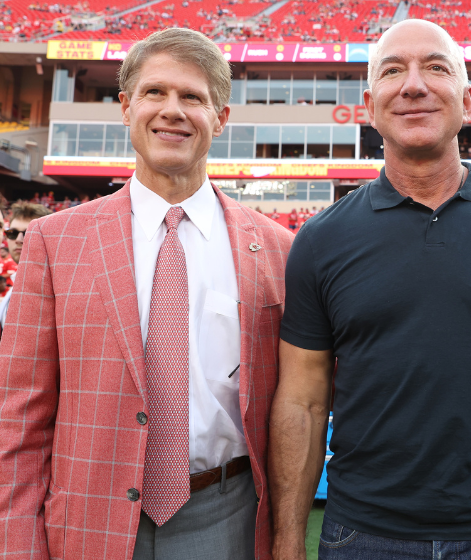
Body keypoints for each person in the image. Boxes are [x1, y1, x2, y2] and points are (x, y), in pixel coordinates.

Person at [269, 19, 471, 560]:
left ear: (468, 100)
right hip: (361, 536)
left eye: (436, 68)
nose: (414, 85)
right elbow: (301, 402)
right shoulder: (320, 240)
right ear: (371, 105)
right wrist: (287, 543)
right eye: (393, 71)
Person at [0, 27, 294, 560]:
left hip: (227, 517)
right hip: (87, 514)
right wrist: (17, 543)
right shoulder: (54, 241)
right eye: (155, 92)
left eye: (193, 97)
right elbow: (20, 416)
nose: (172, 111)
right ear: (126, 106)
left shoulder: (278, 250)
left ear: (220, 118)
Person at [0, 202, 52, 331]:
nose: (18, 239)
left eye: (29, 232)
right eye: (12, 233)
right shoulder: (17, 281)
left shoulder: (56, 287)